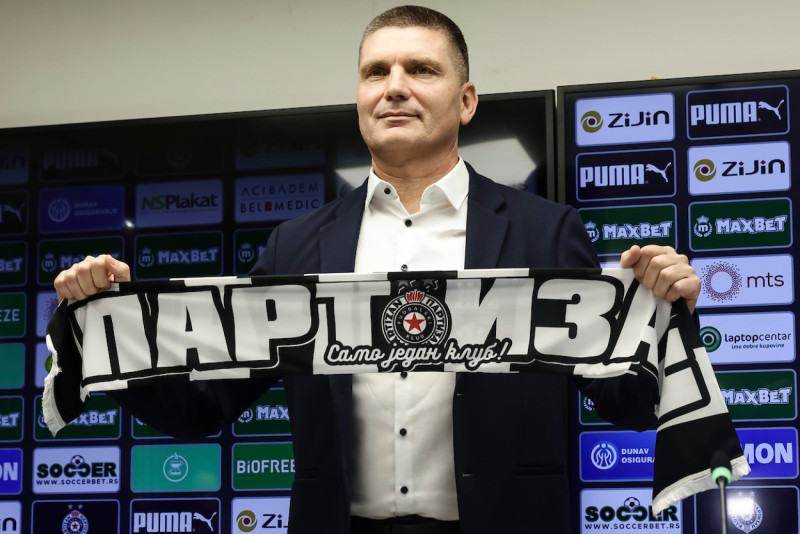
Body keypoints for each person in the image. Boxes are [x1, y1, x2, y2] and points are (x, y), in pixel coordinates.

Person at [55, 6, 701, 534]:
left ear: (466, 100)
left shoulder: (545, 232)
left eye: (421, 69)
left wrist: (668, 313)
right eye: (375, 72)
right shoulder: (294, 247)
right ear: (360, 98)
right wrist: (107, 331)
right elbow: (203, 407)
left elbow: (628, 401)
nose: (394, 86)